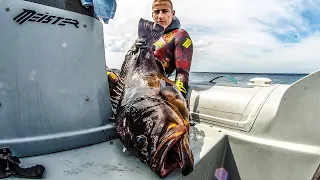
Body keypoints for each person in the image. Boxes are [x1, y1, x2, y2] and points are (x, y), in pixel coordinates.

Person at [151, 0, 193, 99]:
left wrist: (178, 99)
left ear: (172, 13)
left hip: (156, 88)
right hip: (135, 85)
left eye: (165, 11)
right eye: (157, 12)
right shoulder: (147, 37)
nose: (160, 16)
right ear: (152, 14)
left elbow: (182, 73)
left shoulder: (181, 35)